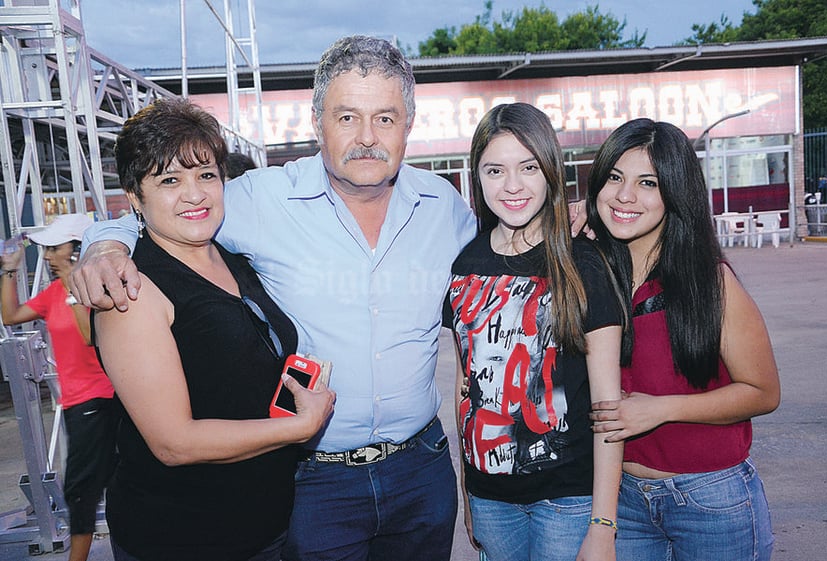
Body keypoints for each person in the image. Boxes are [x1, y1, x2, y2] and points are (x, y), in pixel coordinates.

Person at [69, 36, 476, 561]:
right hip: (314, 480)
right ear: (316, 122)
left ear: (409, 126)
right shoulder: (260, 199)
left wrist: (576, 223)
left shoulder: (443, 206)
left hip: (421, 469)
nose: (367, 138)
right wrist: (104, 244)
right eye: (347, 117)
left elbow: (508, 250)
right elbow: (167, 204)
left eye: (386, 118)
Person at [93, 97, 334, 561]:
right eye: (169, 180)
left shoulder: (234, 258)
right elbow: (173, 443)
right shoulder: (133, 291)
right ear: (135, 197)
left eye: (206, 175)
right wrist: (299, 427)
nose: (195, 194)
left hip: (267, 525)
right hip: (184, 537)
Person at [586, 118, 780, 561]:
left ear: (676, 193)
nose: (625, 195)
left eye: (648, 183)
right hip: (623, 501)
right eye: (614, 178)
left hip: (711, 499)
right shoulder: (593, 273)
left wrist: (660, 409)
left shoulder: (711, 283)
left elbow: (763, 392)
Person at [444, 103, 624, 561]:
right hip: (490, 501)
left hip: (567, 499)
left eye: (528, 167)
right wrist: (470, 494)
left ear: (550, 171)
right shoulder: (465, 266)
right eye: (494, 170)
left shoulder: (583, 263)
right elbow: (469, 390)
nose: (512, 186)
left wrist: (603, 525)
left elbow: (608, 407)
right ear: (476, 177)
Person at [1, 213, 116, 561]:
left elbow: (89, 336)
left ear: (77, 249)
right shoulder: (54, 292)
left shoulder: (98, 289)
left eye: (55, 249)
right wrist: (9, 270)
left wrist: (73, 283)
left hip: (102, 400)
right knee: (91, 487)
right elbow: (11, 315)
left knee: (81, 490)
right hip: (76, 402)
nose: (48, 257)